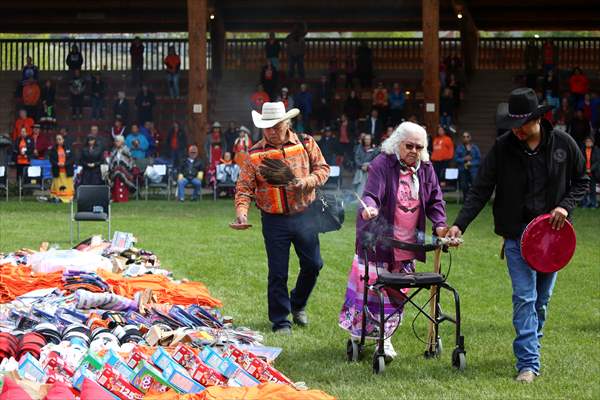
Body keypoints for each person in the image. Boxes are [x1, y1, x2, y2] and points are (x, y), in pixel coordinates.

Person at [446, 88, 589, 383]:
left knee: (541, 301)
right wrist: (460, 223)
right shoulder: (503, 147)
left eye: (522, 123)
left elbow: (582, 181)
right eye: (513, 124)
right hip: (516, 236)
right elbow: (481, 188)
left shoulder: (564, 144)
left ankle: (531, 344)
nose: (517, 130)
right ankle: (528, 363)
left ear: (537, 118)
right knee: (524, 298)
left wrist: (564, 206)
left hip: (554, 238)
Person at [340, 121, 448, 361]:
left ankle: (384, 334)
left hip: (407, 245)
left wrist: (440, 224)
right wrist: (370, 207)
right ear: (397, 144)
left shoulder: (426, 168)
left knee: (399, 291)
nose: (414, 151)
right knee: (375, 290)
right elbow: (371, 193)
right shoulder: (382, 163)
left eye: (419, 147)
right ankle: (382, 340)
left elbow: (435, 201)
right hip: (378, 241)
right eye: (409, 145)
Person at [234, 101, 330, 334]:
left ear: (287, 123)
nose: (271, 131)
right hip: (273, 219)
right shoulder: (254, 154)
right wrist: (242, 213)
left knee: (313, 264)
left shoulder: (306, 143)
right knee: (278, 272)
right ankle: (281, 320)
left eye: (275, 126)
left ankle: (298, 303)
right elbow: (244, 187)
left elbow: (323, 169)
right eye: (266, 127)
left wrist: (306, 182)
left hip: (305, 214)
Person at [107, 135, 136, 203]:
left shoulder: (126, 150)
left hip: (126, 171)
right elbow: (111, 162)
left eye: (117, 141)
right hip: (114, 171)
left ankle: (115, 190)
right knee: (117, 172)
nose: (116, 143)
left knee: (119, 172)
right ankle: (129, 187)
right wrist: (113, 167)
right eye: (115, 141)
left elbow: (130, 161)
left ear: (122, 142)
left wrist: (122, 166)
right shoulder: (113, 151)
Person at [48, 133, 75, 203]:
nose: (58, 141)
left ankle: (68, 199)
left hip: (67, 171)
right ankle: (57, 198)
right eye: (57, 139)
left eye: (60, 139)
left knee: (67, 186)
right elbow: (51, 159)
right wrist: (57, 163)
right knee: (57, 186)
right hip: (57, 171)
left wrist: (65, 164)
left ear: (63, 140)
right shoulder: (53, 149)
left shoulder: (69, 148)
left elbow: (72, 159)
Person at [454, 131, 480, 201]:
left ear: (470, 138)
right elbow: (456, 159)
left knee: (474, 186)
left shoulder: (475, 147)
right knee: (464, 186)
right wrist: (464, 159)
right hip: (463, 169)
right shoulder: (459, 148)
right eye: (464, 137)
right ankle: (466, 200)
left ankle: (474, 200)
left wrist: (471, 163)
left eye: (467, 136)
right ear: (462, 138)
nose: (466, 138)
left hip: (473, 170)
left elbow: (479, 160)